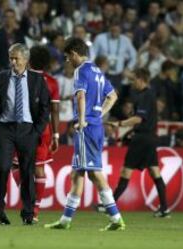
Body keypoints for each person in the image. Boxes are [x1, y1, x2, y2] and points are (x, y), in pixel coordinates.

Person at [44, 38, 124, 231]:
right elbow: (113, 96)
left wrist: (81, 120)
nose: (67, 62)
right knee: (78, 173)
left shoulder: (81, 70)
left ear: (74, 53)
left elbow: (80, 95)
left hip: (86, 128)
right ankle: (65, 220)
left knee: (94, 173)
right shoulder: (97, 70)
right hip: (95, 126)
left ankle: (116, 218)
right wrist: (99, 114)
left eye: (67, 57)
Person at [0, 43, 50, 225]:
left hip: (27, 130)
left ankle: (28, 213)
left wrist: (37, 131)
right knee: (3, 168)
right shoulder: (0, 78)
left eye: (17, 58)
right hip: (5, 129)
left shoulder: (38, 80)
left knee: (27, 172)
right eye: (11, 58)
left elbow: (45, 108)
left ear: (26, 59)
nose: (13, 62)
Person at [107, 68, 170, 218]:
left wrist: (120, 124)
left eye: (134, 79)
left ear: (141, 79)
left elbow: (138, 119)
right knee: (155, 172)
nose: (132, 82)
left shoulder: (146, 96)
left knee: (126, 171)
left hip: (142, 139)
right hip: (149, 138)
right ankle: (164, 208)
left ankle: (109, 205)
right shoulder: (146, 95)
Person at [11, 45, 60, 223]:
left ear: (29, 60)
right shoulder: (53, 82)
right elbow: (55, 110)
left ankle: (29, 202)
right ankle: (35, 209)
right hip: (44, 130)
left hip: (22, 127)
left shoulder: (21, 78)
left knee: (16, 166)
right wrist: (56, 136)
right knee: (39, 169)